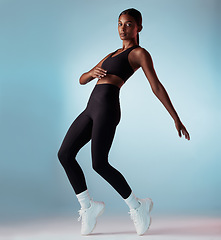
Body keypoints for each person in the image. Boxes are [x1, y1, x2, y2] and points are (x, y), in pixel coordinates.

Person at [57, 8, 190, 236]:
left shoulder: (139, 53)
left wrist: (176, 117)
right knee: (65, 154)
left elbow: (156, 86)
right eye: (119, 24)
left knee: (99, 164)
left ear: (139, 27)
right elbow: (82, 80)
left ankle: (138, 207)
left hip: (107, 110)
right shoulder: (111, 54)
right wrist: (90, 73)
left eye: (129, 24)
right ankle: (88, 207)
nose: (123, 28)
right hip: (90, 109)